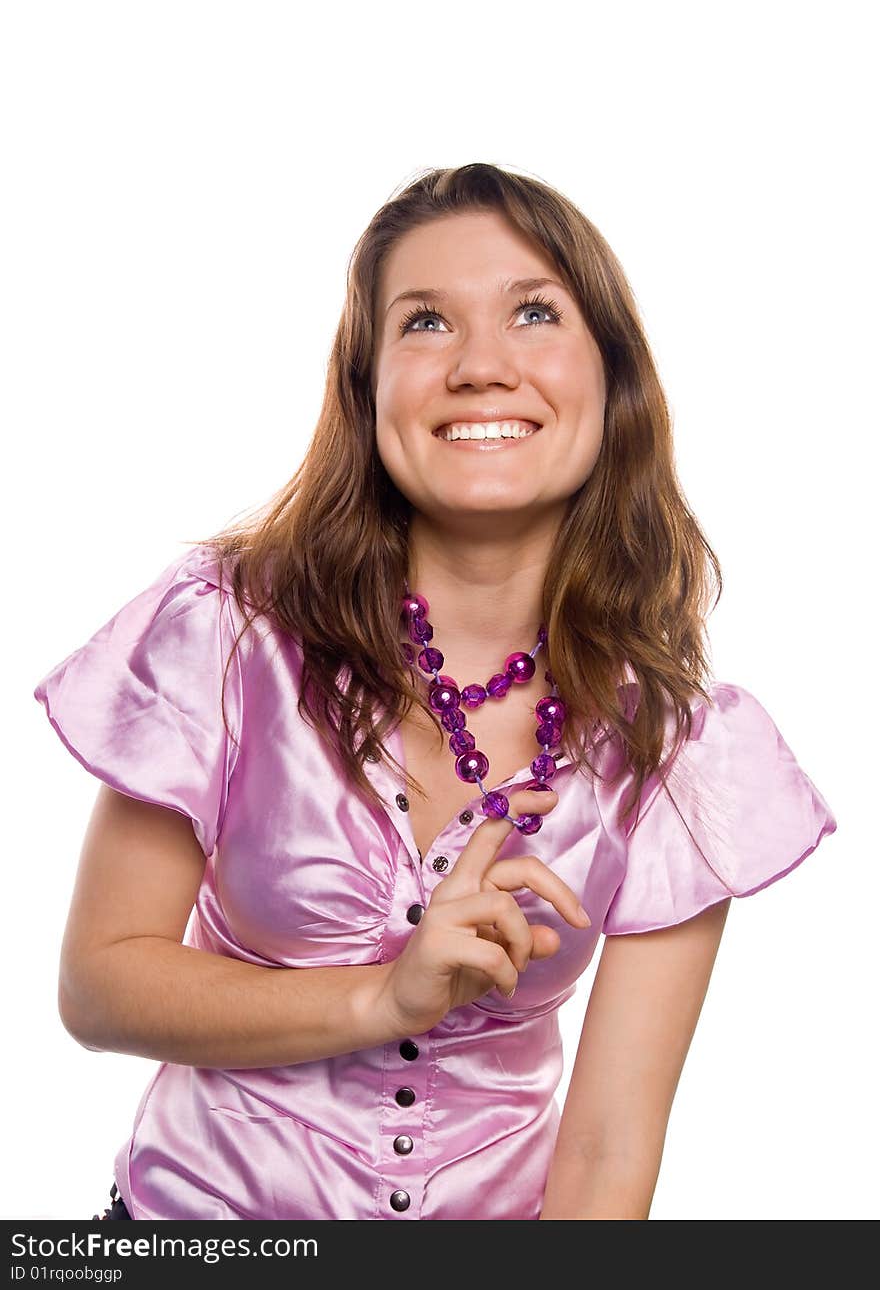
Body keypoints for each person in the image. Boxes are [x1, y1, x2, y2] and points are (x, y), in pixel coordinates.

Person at [34, 162, 837, 1222]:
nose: (480, 366)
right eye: (425, 324)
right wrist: (384, 994)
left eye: (534, 313)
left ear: (612, 381)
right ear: (368, 390)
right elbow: (100, 984)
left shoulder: (682, 755)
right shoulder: (226, 633)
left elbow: (604, 1155)